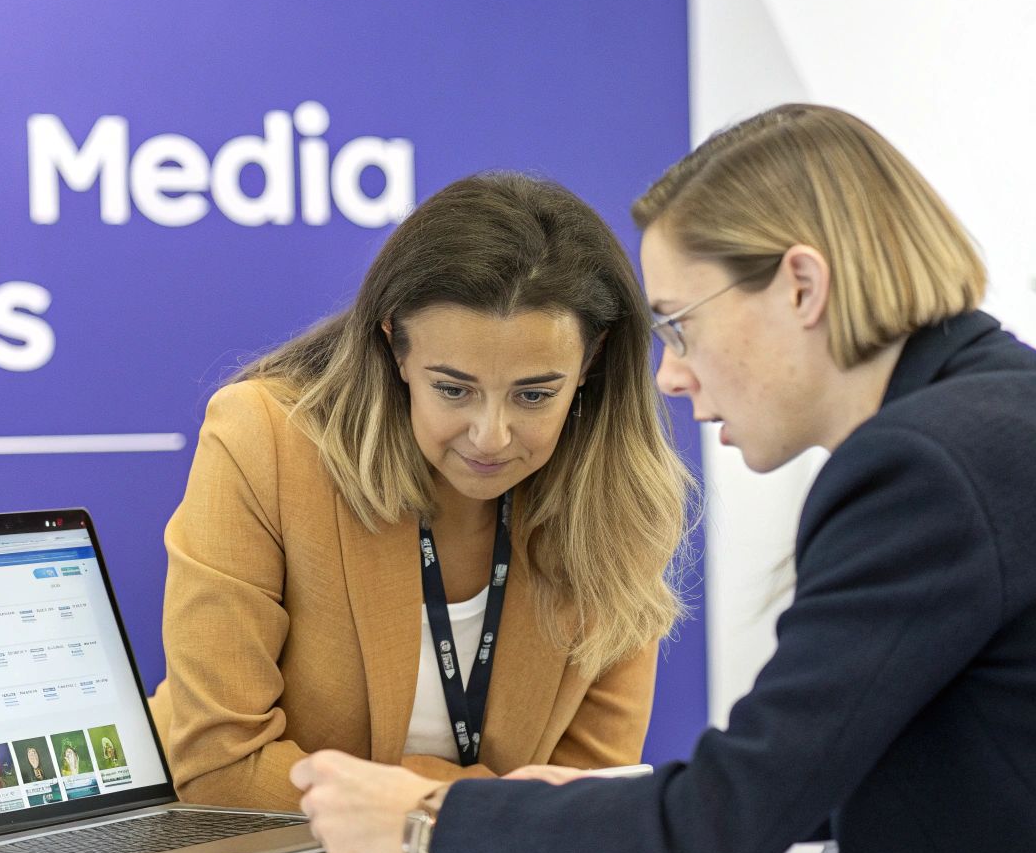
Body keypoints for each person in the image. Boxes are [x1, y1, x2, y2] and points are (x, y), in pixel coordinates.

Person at [291, 105, 1036, 853]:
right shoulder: (1011, 409)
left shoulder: (927, 466)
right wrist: (604, 808)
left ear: (800, 286)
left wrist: (429, 821)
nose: (671, 378)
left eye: (681, 327)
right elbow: (841, 779)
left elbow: (723, 828)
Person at [151, 172, 692, 811]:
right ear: (395, 345)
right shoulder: (264, 438)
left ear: (592, 362)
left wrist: (407, 797)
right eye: (454, 389)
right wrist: (461, 808)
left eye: (535, 395)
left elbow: (586, 803)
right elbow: (219, 767)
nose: (491, 436)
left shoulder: (618, 497)